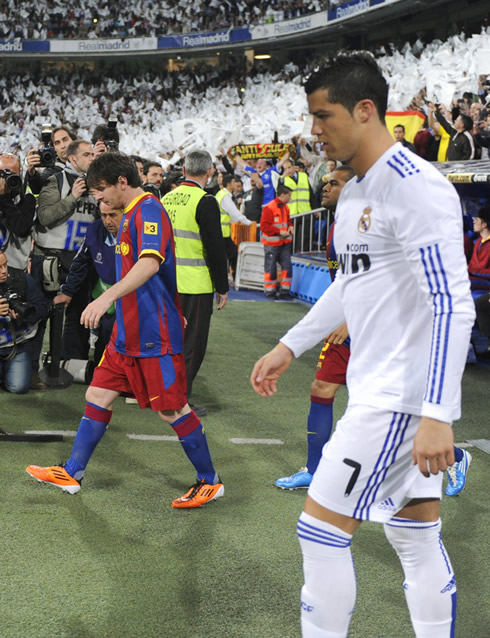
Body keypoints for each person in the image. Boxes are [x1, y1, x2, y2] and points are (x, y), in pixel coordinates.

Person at [251, 52, 475, 638]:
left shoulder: (417, 189)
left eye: (324, 116)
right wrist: (289, 345)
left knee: (319, 534)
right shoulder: (351, 196)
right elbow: (350, 285)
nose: (314, 130)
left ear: (366, 110)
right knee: (414, 534)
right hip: (384, 392)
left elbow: (453, 305)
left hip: (398, 401)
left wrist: (437, 414)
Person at [26, 152, 224, 509]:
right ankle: (73, 471)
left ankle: (210, 481)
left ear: (122, 182)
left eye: (101, 190)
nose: (97, 197)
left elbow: (150, 263)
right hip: (126, 333)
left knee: (172, 410)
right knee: (97, 396)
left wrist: (106, 299)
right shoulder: (127, 215)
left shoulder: (149, 209)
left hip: (154, 334)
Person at [275, 165, 355, 489]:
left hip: (377, 331)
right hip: (345, 325)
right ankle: (314, 469)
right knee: (321, 388)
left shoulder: (372, 226)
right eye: (325, 183)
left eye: (333, 183)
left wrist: (350, 322)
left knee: (385, 410)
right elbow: (343, 284)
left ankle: (453, 456)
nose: (325, 187)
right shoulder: (337, 225)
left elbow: (386, 283)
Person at [161, 150, 229, 416]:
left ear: (184, 169)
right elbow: (215, 248)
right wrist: (222, 286)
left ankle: (165, 394)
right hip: (195, 286)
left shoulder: (166, 198)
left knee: (170, 343)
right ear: (209, 171)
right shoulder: (205, 201)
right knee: (191, 347)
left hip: (167, 284)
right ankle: (178, 401)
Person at [53, 203, 123, 372]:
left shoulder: (136, 232)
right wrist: (68, 292)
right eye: (104, 215)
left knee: (116, 335)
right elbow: (81, 262)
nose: (107, 221)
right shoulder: (95, 230)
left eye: (113, 215)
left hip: (131, 295)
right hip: (105, 292)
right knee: (104, 339)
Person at [0, 250, 49, 393]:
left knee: (19, 387)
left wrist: (25, 314)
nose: (4, 271)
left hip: (19, 345)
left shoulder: (21, 279)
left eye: (5, 265)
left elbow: (42, 306)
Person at [216, 173, 253, 281]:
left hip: (220, 233)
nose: (235, 184)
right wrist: (250, 223)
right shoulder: (225, 197)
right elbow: (236, 214)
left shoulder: (220, 194)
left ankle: (227, 277)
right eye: (233, 182)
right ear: (229, 184)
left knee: (226, 256)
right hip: (223, 234)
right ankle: (234, 277)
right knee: (232, 255)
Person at [260, 184, 293, 299]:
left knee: (287, 267)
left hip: (284, 243)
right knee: (271, 268)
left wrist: (290, 227)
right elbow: (264, 226)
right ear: (282, 195)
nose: (290, 198)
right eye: (289, 195)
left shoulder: (286, 207)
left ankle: (285, 291)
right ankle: (270, 291)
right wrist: (279, 232)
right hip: (272, 244)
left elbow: (288, 221)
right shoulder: (269, 208)